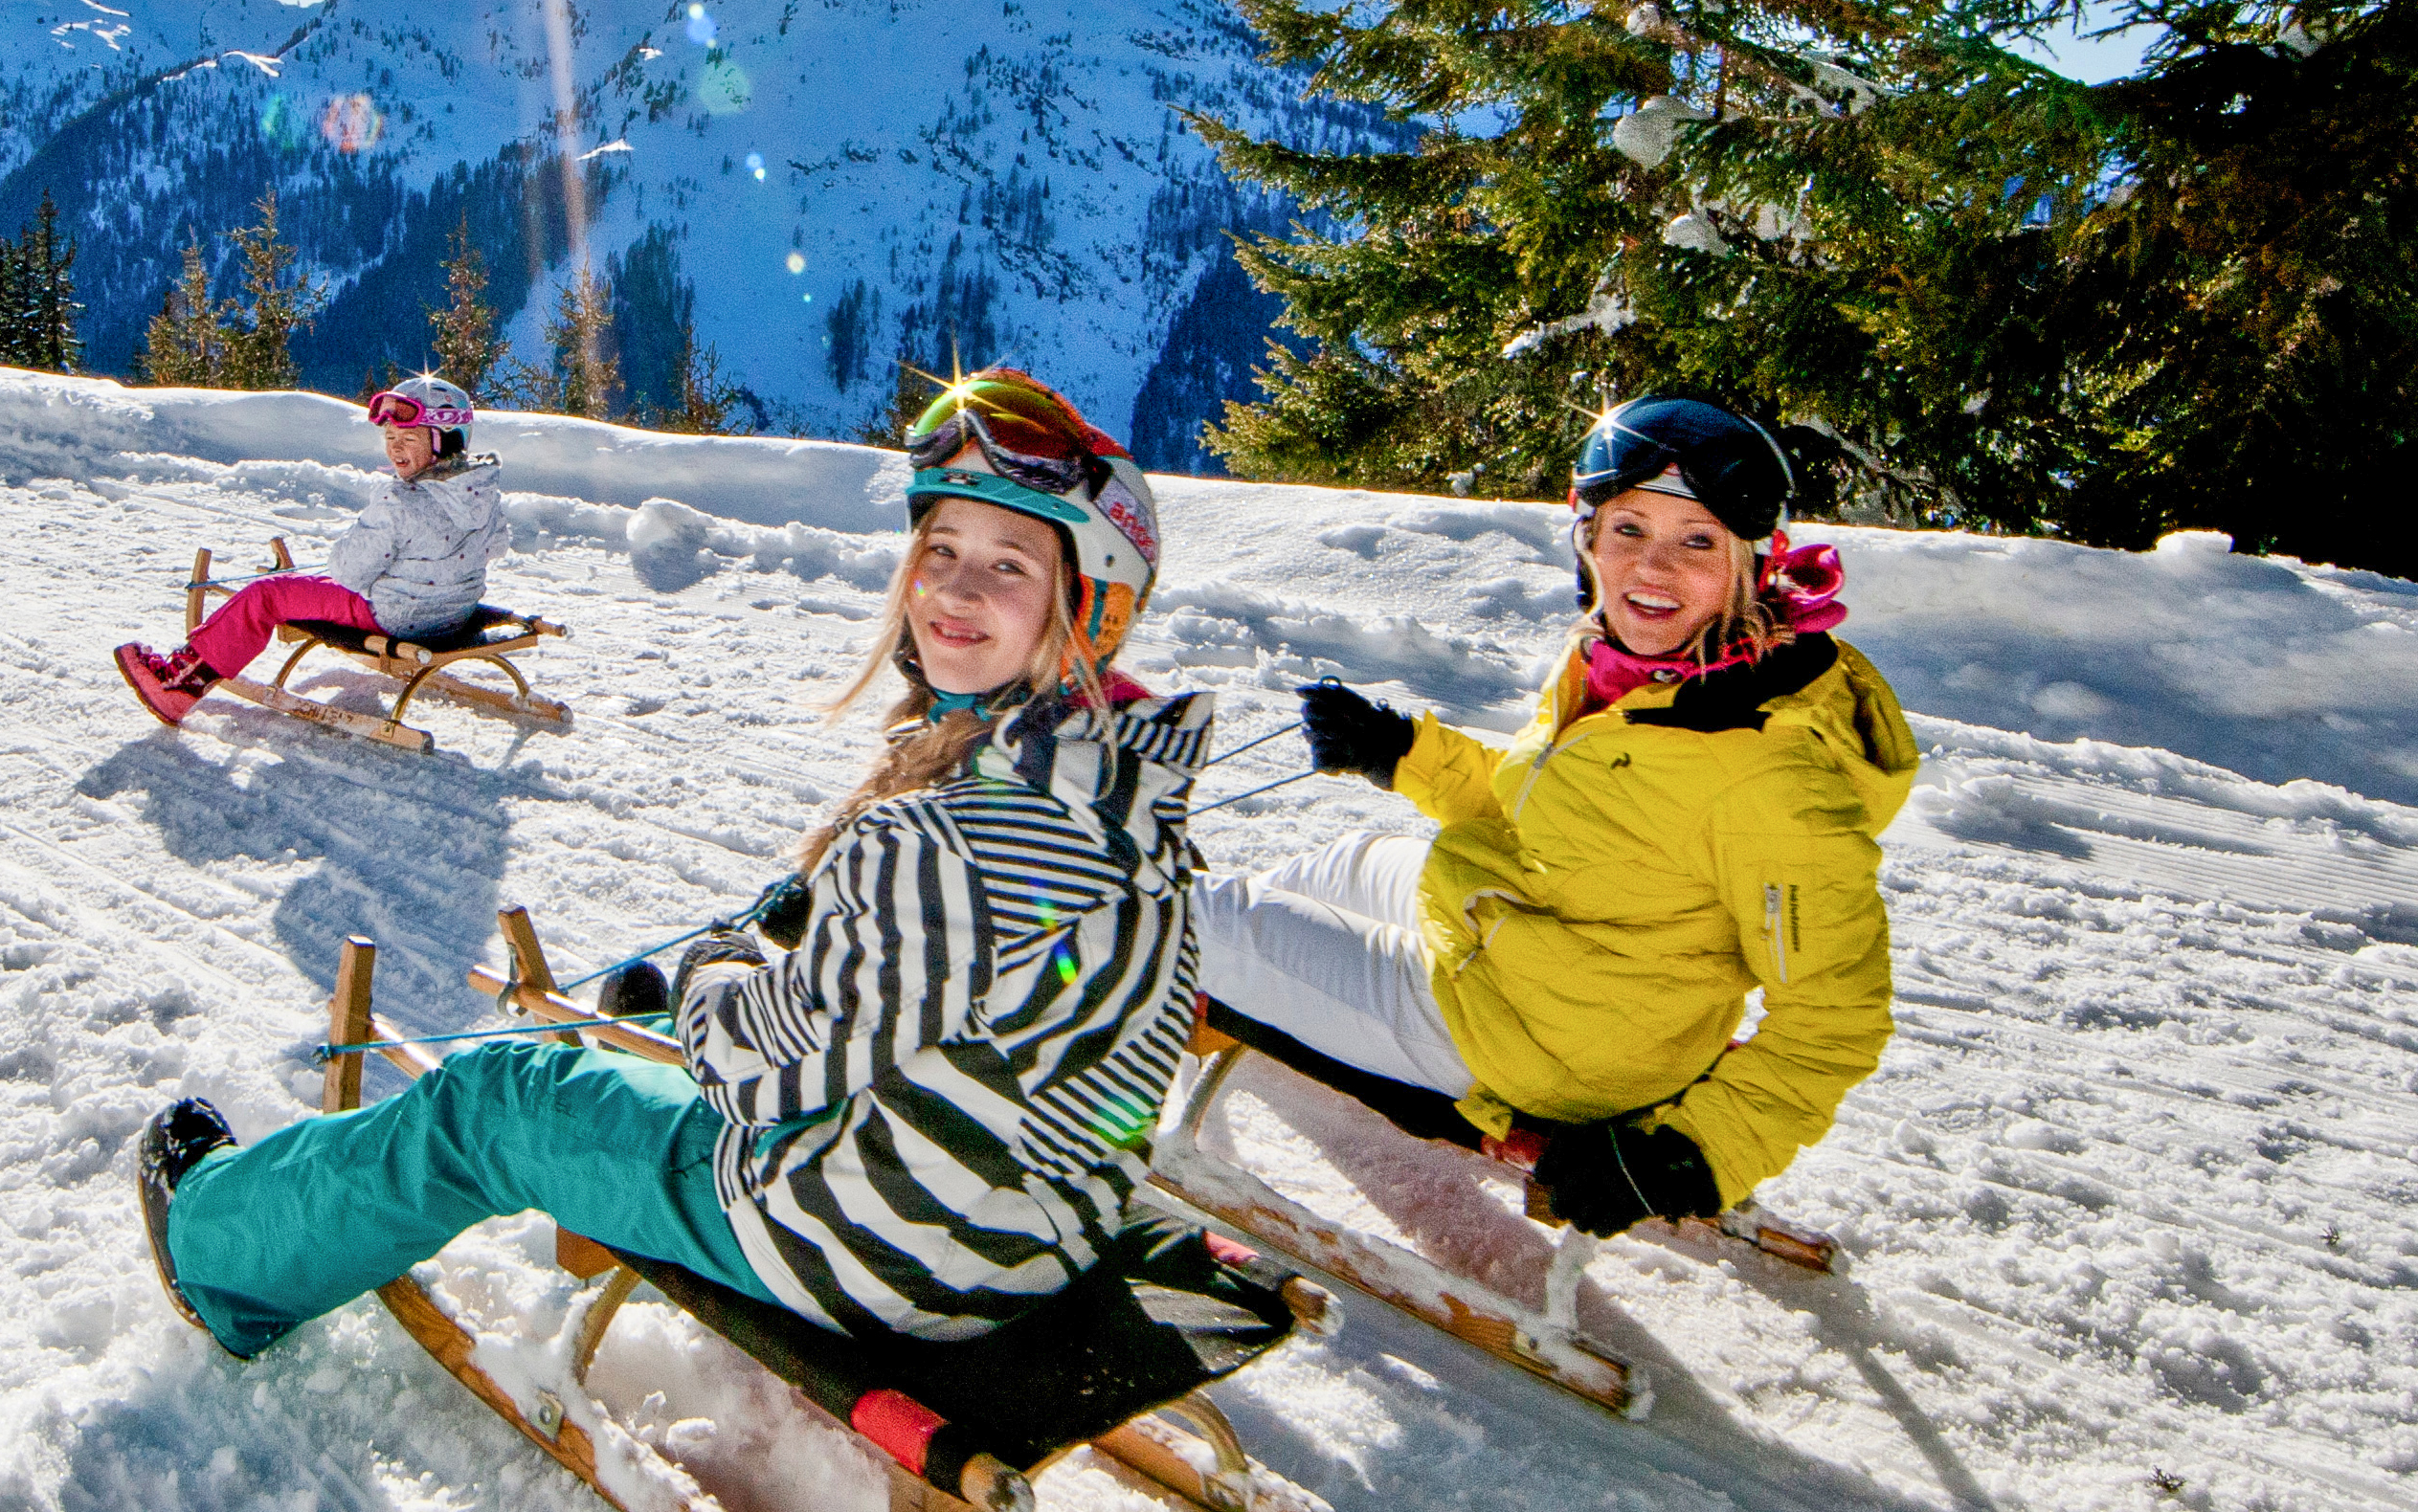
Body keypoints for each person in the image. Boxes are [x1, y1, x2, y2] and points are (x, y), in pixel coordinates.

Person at [133, 367, 1300, 1391]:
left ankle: (219, 1251)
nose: (952, 589)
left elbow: (763, 1074)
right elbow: (966, 995)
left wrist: (721, 975)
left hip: (879, 1248)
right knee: (652, 1044)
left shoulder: (941, 835)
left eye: (1007, 565)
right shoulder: (1132, 791)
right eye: (940, 549)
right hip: (1045, 1224)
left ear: (1084, 604)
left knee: (490, 1100)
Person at [1195, 395, 1916, 1238]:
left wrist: (1692, 1154)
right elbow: (1550, 812)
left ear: (1750, 565)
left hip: (1541, 1050)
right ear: (1586, 540)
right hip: (1544, 968)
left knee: (1183, 915)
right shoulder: (1620, 667)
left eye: (1696, 541)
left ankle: (1151, 954)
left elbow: (1836, 1017)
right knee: (1346, 862)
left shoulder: (1765, 770)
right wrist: (1404, 754)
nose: (1652, 570)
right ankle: (1223, 968)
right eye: (1628, 531)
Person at [117, 375, 504, 723]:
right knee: (309, 586)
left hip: (397, 618)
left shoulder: (400, 502)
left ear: (443, 441)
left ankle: (178, 685)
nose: (395, 450)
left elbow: (348, 574)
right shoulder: (481, 491)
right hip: (453, 617)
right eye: (389, 438)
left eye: (409, 438)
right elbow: (496, 547)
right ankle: (184, 678)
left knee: (266, 596)